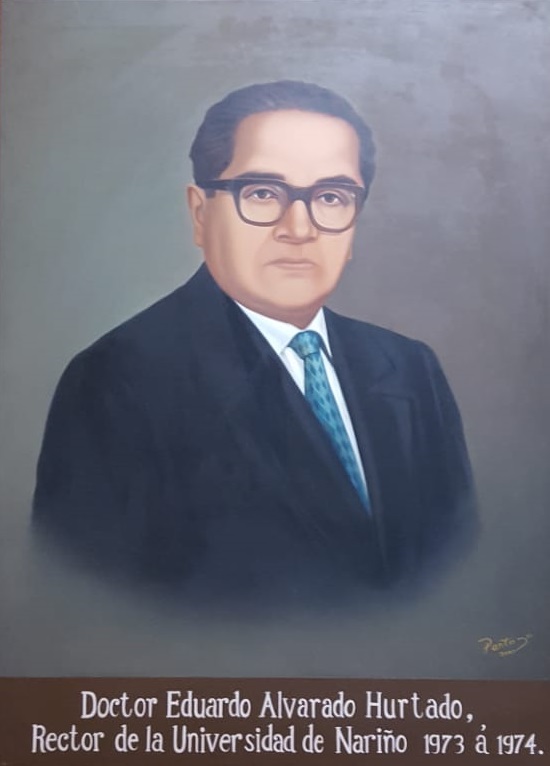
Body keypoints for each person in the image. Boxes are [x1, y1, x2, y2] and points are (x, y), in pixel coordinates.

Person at [33, 80, 476, 607]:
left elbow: (459, 570)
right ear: (201, 214)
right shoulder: (117, 381)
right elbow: (85, 607)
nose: (299, 228)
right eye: (263, 192)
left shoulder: (410, 368)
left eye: (331, 197)